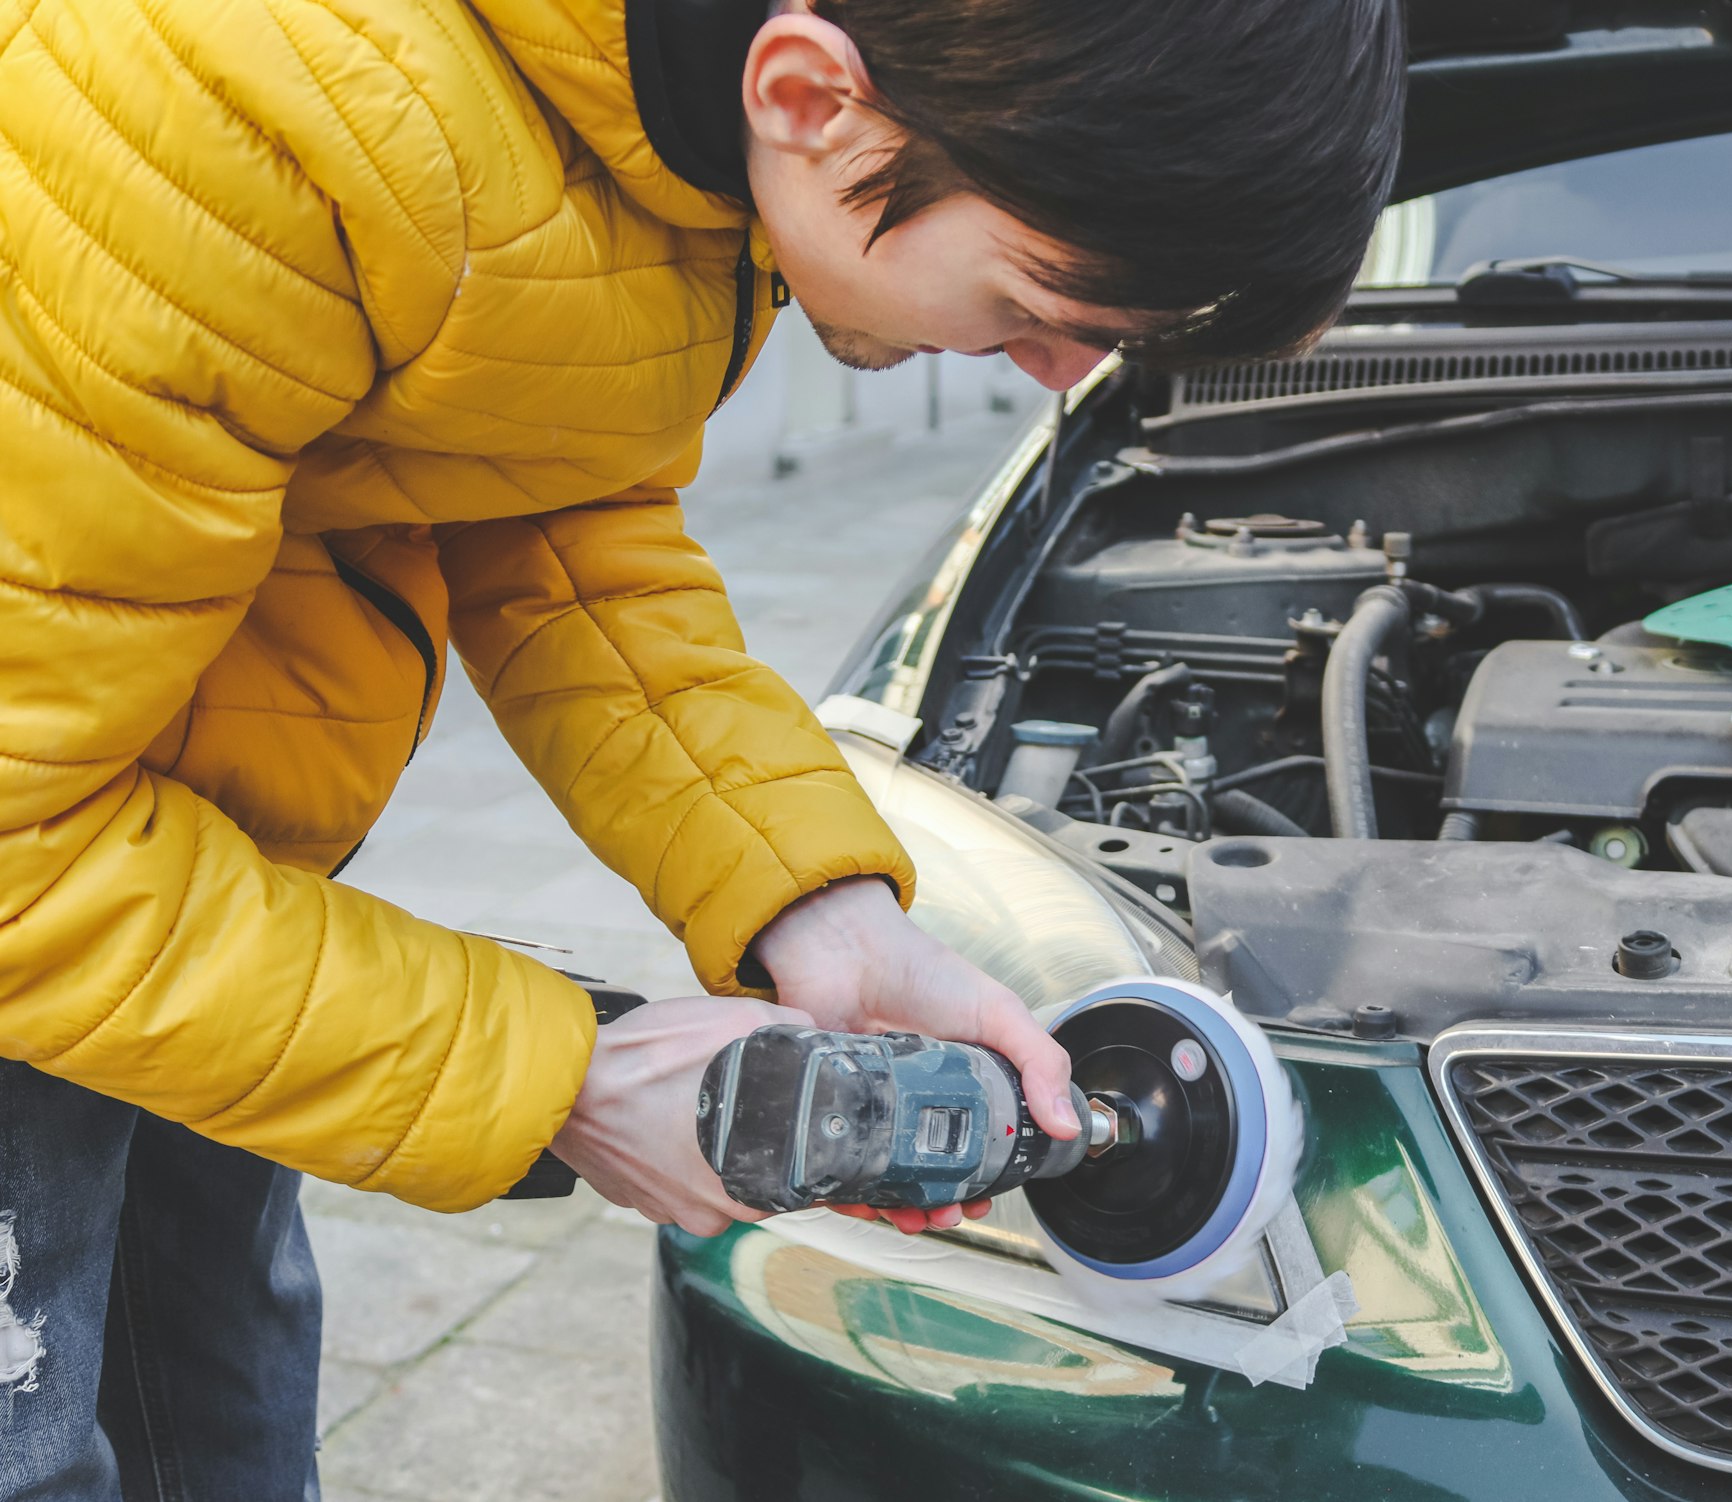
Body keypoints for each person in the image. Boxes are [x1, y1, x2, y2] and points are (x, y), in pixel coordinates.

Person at [0, 0, 1403, 1493]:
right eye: (1040, 301)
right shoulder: (218, 119)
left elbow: (553, 493)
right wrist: (560, 1075)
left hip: (181, 882)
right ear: (811, 97)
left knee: (214, 1406)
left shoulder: (682, 144)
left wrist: (817, 902)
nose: (1058, 373)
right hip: (62, 888)